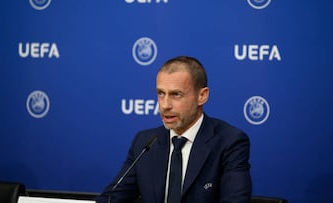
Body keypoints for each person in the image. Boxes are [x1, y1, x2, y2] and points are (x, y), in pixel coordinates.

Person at [96, 56, 251, 203]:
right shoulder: (145, 143)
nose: (165, 105)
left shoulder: (229, 142)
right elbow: (111, 198)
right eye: (160, 94)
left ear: (202, 96)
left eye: (176, 94)